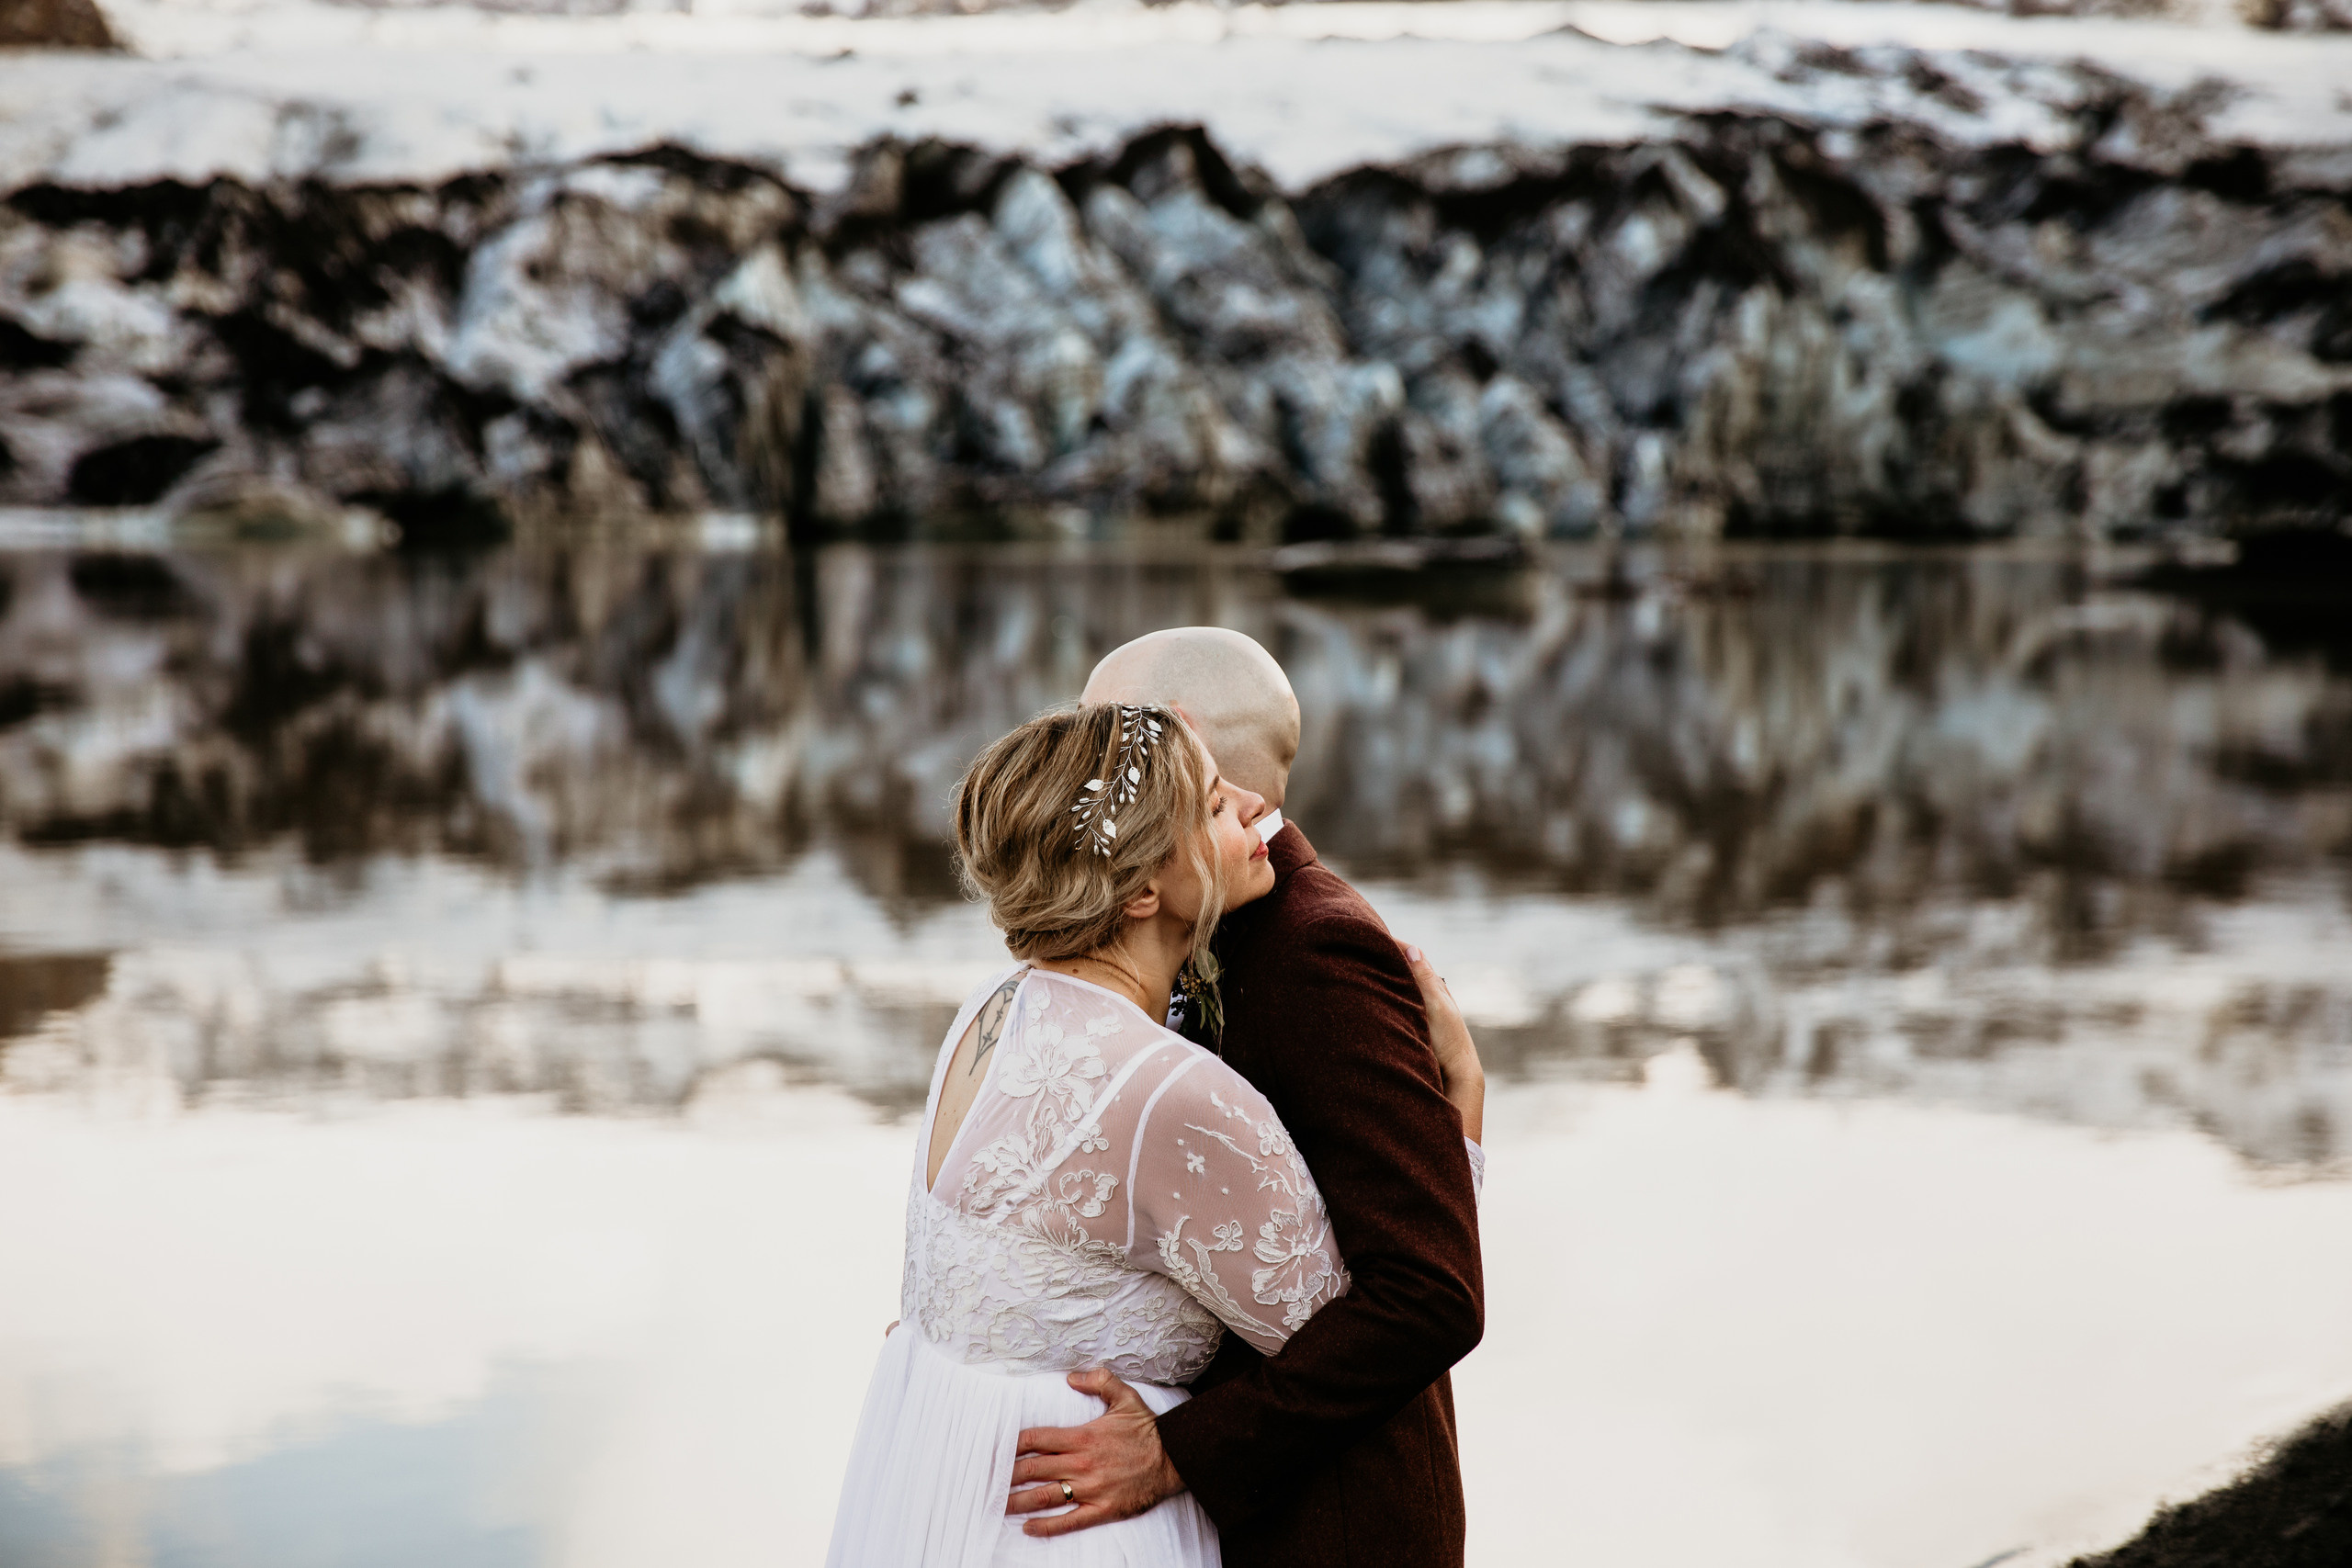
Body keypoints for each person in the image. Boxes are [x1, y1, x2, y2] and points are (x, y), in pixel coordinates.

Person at [826, 700, 1481, 1567]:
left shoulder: (987, 1013)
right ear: (1140, 891)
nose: (1252, 808)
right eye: (1212, 805)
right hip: (1084, 1532)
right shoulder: (1177, 1095)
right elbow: (1373, 1324)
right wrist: (1460, 1103)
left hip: (944, 1484)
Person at [1004, 629, 1487, 1568]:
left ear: (1204, 763)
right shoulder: (1167, 924)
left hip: (1328, 1522)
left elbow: (1430, 1292)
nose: (1088, 759)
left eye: (1113, 730)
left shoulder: (1315, 954)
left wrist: (1177, 1454)